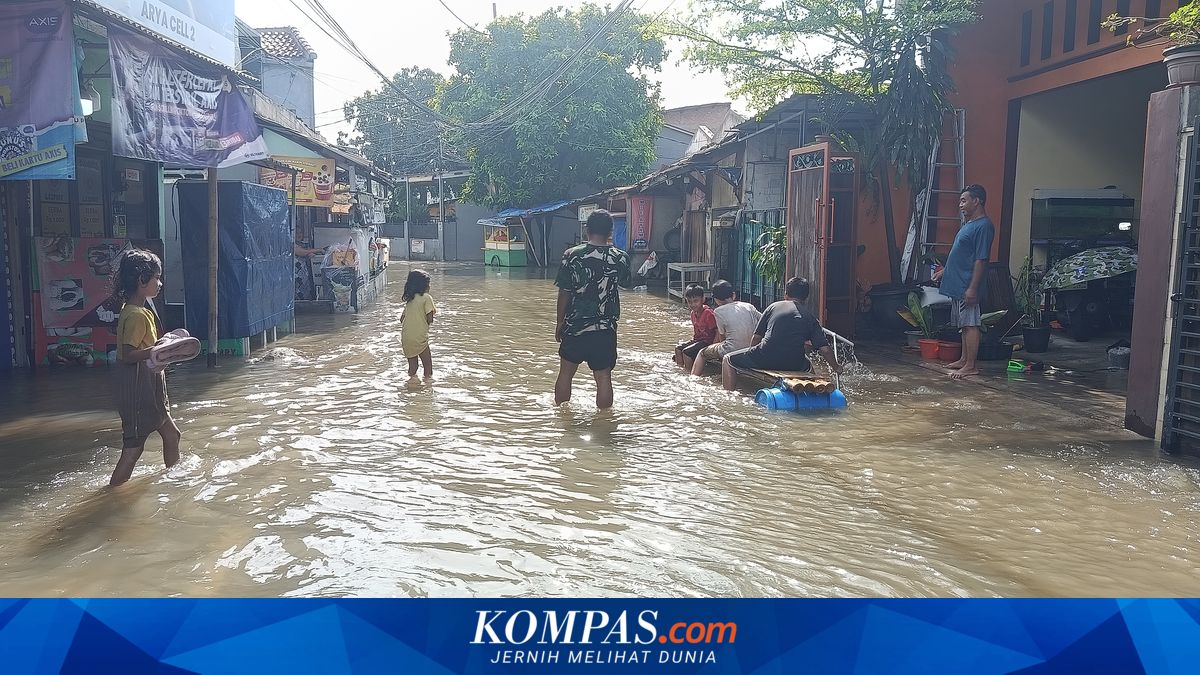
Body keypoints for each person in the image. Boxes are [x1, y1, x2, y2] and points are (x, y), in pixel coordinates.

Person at [110, 250, 181, 486]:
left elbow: (144, 346)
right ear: (142, 280)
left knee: (172, 435)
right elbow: (128, 355)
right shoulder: (135, 315)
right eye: (156, 278)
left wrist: (162, 345)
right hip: (138, 392)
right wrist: (155, 351)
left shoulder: (138, 311)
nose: (160, 283)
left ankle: (175, 481)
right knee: (133, 449)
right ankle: (109, 495)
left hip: (151, 391)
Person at [554, 209, 632, 409]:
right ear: (610, 232)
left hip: (575, 327)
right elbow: (627, 283)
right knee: (604, 377)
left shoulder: (571, 255)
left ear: (587, 230)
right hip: (605, 329)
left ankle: (561, 419)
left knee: (565, 373)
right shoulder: (620, 257)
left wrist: (559, 322)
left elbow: (565, 292)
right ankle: (604, 424)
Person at [722, 276, 843, 391]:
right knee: (808, 365)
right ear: (806, 298)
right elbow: (825, 350)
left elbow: (756, 337)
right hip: (794, 363)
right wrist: (836, 367)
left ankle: (729, 395)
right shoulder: (810, 317)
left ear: (785, 294)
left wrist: (751, 354)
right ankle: (812, 393)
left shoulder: (773, 306)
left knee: (727, 359)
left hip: (764, 358)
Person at [933, 184, 995, 379]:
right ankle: (963, 359)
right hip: (957, 283)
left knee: (971, 324)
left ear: (977, 201)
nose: (960, 205)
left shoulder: (984, 226)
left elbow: (980, 259)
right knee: (963, 325)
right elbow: (960, 254)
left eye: (964, 200)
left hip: (968, 283)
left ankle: (970, 365)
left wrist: (973, 288)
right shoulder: (969, 224)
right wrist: (944, 272)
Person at [693, 280, 763, 376]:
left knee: (701, 353)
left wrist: (719, 354)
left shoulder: (718, 311)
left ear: (716, 300)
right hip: (753, 348)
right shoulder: (748, 306)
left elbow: (722, 337)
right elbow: (763, 321)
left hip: (732, 349)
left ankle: (693, 378)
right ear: (733, 295)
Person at [401, 269, 437, 378]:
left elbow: (401, 319)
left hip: (406, 337)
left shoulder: (410, 300)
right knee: (428, 367)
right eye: (428, 284)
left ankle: (411, 385)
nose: (429, 287)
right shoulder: (427, 298)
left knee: (413, 367)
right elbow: (430, 319)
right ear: (424, 286)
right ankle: (427, 388)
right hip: (420, 337)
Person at [674, 284, 717, 370]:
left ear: (703, 299)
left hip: (708, 342)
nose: (693, 304)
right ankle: (681, 370)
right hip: (698, 340)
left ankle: (689, 372)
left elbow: (717, 331)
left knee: (686, 352)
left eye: (696, 301)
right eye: (689, 301)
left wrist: (714, 348)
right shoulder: (693, 313)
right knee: (678, 349)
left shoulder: (708, 313)